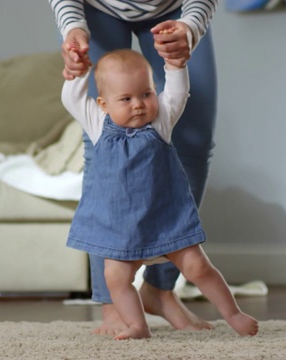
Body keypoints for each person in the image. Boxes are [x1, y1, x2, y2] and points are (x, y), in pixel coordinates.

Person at [60, 46, 258, 340]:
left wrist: (176, 66)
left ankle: (233, 314)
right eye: (126, 99)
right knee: (115, 278)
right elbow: (71, 99)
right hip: (119, 229)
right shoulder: (98, 124)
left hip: (166, 222)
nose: (138, 104)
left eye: (146, 94)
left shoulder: (161, 121)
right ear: (103, 104)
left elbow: (177, 94)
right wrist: (77, 73)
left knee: (199, 267)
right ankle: (137, 324)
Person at [49, 0, 219, 335]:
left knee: (194, 144)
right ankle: (113, 300)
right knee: (102, 146)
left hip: (177, 8)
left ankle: (159, 290)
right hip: (97, 9)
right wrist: (73, 29)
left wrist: (192, 26)